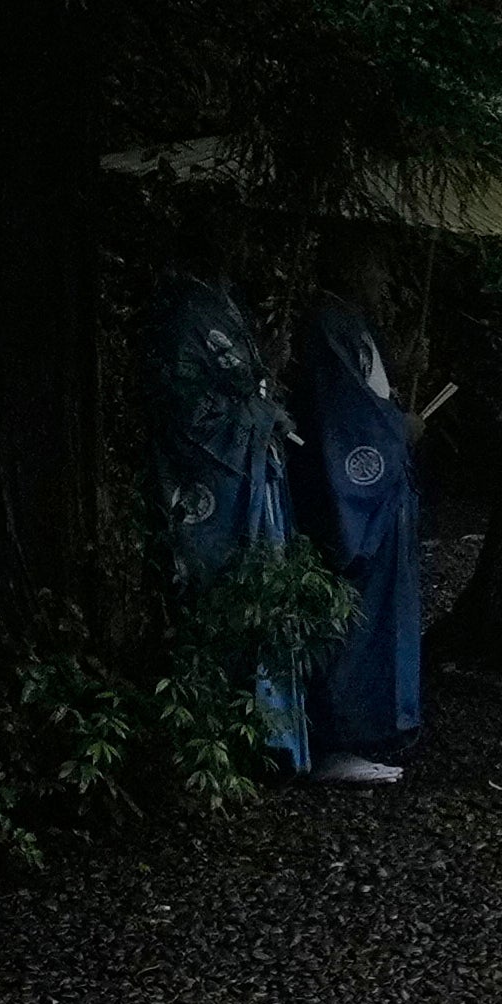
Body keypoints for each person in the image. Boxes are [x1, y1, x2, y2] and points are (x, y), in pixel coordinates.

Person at [140, 258, 306, 768]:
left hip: (249, 470)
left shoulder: (221, 298)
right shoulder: (193, 309)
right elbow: (195, 406)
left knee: (262, 594)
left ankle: (266, 736)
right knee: (224, 594)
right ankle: (227, 738)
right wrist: (259, 415)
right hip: (220, 476)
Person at [291, 229, 425, 782]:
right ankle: (339, 737)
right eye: (377, 267)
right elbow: (347, 421)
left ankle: (369, 732)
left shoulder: (353, 325)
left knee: (378, 614)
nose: (386, 281)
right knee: (353, 613)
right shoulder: (328, 325)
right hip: (353, 505)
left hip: (381, 502)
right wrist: (400, 429)